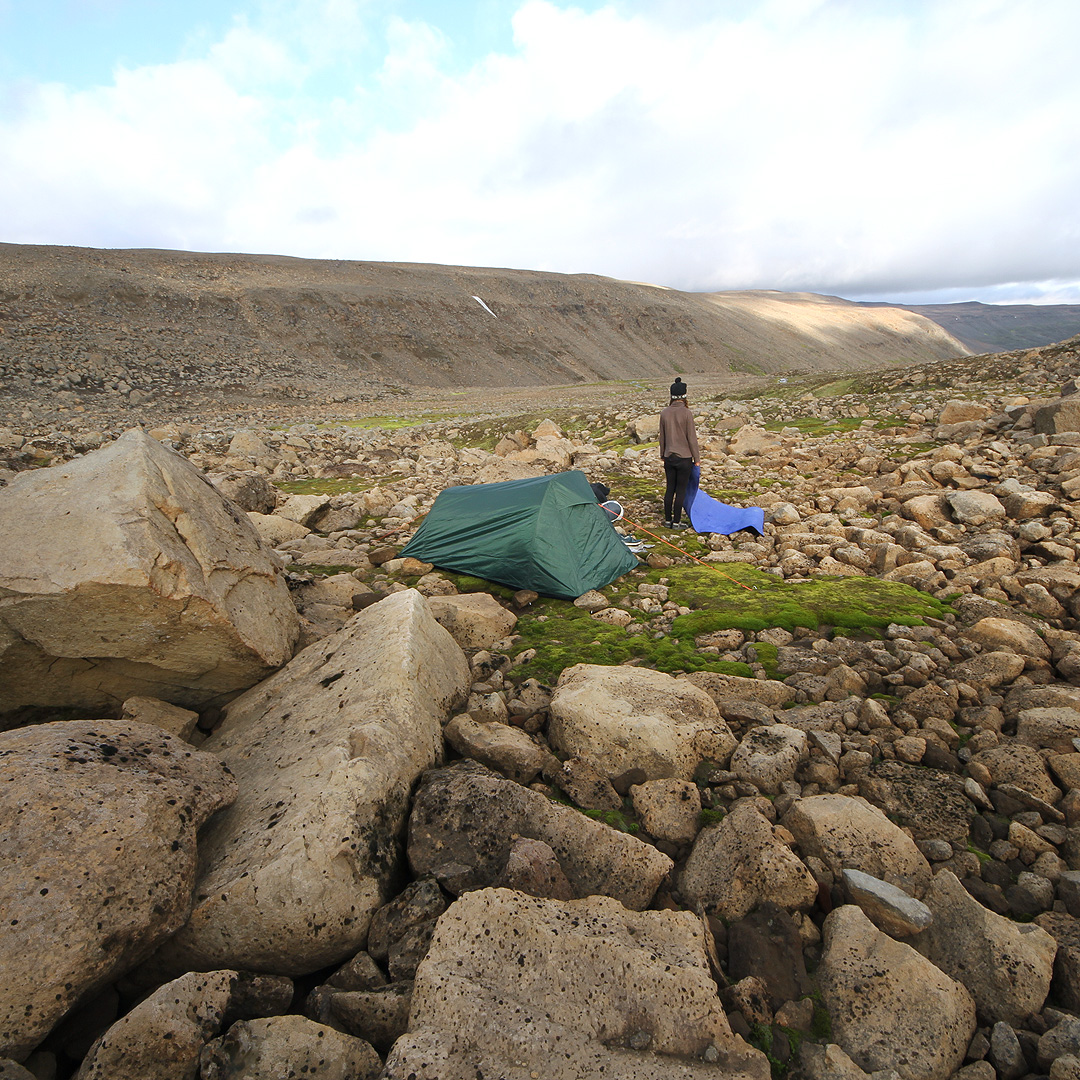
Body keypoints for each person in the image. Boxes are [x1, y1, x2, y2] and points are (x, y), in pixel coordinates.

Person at [658, 378, 699, 529]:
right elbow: (692, 439)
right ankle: (677, 522)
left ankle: (668, 520)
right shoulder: (687, 413)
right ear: (684, 395)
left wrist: (662, 454)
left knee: (670, 488)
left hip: (669, 457)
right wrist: (697, 458)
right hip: (685, 458)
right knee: (681, 489)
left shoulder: (664, 413)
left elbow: (662, 437)